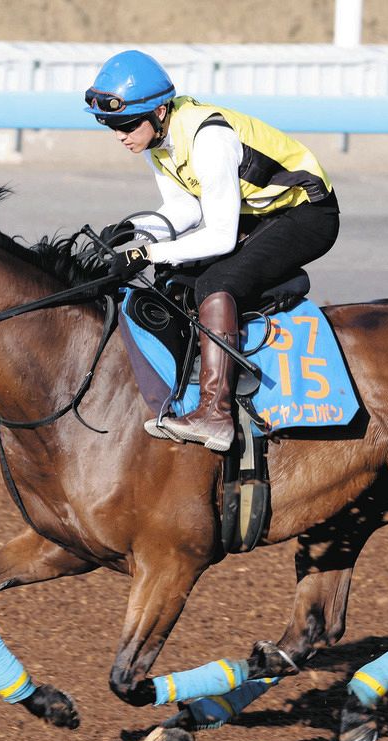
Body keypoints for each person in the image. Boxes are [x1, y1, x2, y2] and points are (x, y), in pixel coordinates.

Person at [85, 49, 340, 453]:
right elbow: (185, 209)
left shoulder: (208, 139)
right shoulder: (159, 142)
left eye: (128, 124)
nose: (121, 135)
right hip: (262, 215)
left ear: (161, 112)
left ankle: (216, 414)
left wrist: (148, 253)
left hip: (307, 214)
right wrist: (133, 229)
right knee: (174, 279)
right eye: (112, 125)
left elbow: (220, 236)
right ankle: (185, 386)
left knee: (216, 283)